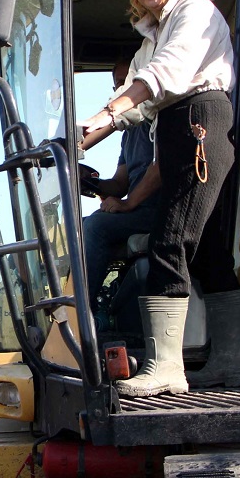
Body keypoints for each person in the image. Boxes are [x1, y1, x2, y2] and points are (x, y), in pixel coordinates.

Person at [79, 0, 240, 397]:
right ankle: (233, 364)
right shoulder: (148, 38)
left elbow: (163, 77)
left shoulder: (193, 11)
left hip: (201, 123)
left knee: (169, 241)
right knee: (210, 250)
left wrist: (105, 115)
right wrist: (80, 139)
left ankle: (165, 367)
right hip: (177, 127)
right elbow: (133, 108)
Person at [80, 60, 160, 316]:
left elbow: (161, 168)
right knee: (76, 228)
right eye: (117, 84)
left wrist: (127, 204)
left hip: (160, 209)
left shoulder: (159, 120)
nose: (120, 89)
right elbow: (120, 183)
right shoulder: (130, 132)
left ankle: (82, 316)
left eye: (126, 83)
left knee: (95, 227)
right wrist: (91, 183)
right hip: (137, 210)